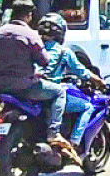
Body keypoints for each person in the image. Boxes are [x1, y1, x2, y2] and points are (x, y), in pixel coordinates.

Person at [0, 0, 70, 150]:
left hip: (0, 86)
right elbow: (44, 61)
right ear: (29, 16)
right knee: (60, 92)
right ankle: (53, 132)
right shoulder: (30, 35)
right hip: (25, 87)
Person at [37, 13, 106, 152]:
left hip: (32, 89)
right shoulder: (64, 52)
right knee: (87, 106)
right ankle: (73, 143)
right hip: (50, 93)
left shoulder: (35, 47)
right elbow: (81, 71)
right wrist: (98, 80)